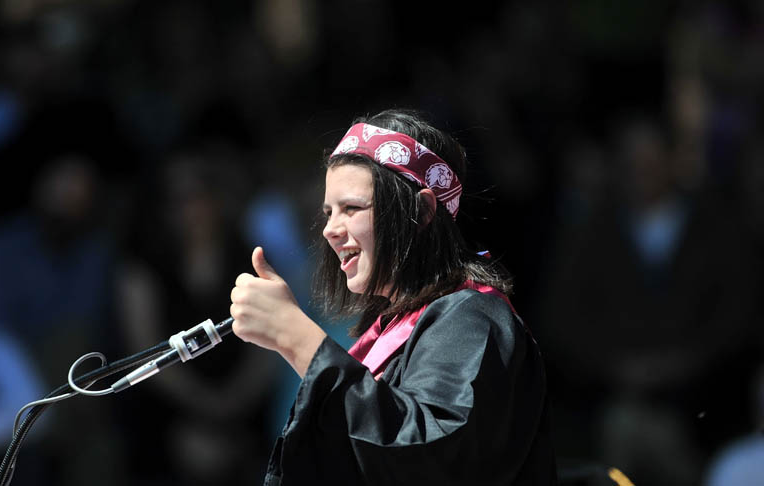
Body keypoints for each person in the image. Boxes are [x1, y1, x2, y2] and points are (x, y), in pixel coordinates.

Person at [229, 109, 557, 485]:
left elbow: (428, 457)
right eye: (328, 212)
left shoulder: (473, 317)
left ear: (421, 210)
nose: (331, 230)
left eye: (352, 208)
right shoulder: (388, 329)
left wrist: (295, 336)